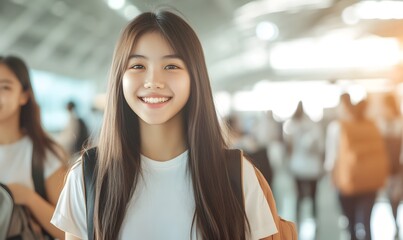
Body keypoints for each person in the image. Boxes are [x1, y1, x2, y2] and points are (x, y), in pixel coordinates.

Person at [51, 10, 278, 240]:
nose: (153, 82)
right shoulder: (89, 176)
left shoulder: (236, 174)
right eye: (138, 66)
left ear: (194, 77)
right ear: (119, 77)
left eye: (171, 66)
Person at [0, 55, 67, 239]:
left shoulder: (44, 153)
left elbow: (70, 232)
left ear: (24, 96)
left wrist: (28, 198)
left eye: (5, 87)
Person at [325, 94, 388, 240]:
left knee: (351, 224)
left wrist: (332, 178)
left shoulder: (337, 127)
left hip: (347, 181)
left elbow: (331, 158)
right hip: (371, 181)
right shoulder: (373, 125)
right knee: (366, 223)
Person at [283, 101, 324, 231]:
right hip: (312, 167)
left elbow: (288, 147)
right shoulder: (314, 126)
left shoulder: (291, 125)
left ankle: (298, 219)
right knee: (313, 195)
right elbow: (321, 147)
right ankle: (315, 217)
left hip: (298, 165)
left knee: (299, 195)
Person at [376, 94, 403, 239]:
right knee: (391, 198)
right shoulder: (381, 124)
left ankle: (397, 223)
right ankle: (396, 223)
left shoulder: (400, 123)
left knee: (396, 197)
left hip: (399, 168)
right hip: (385, 169)